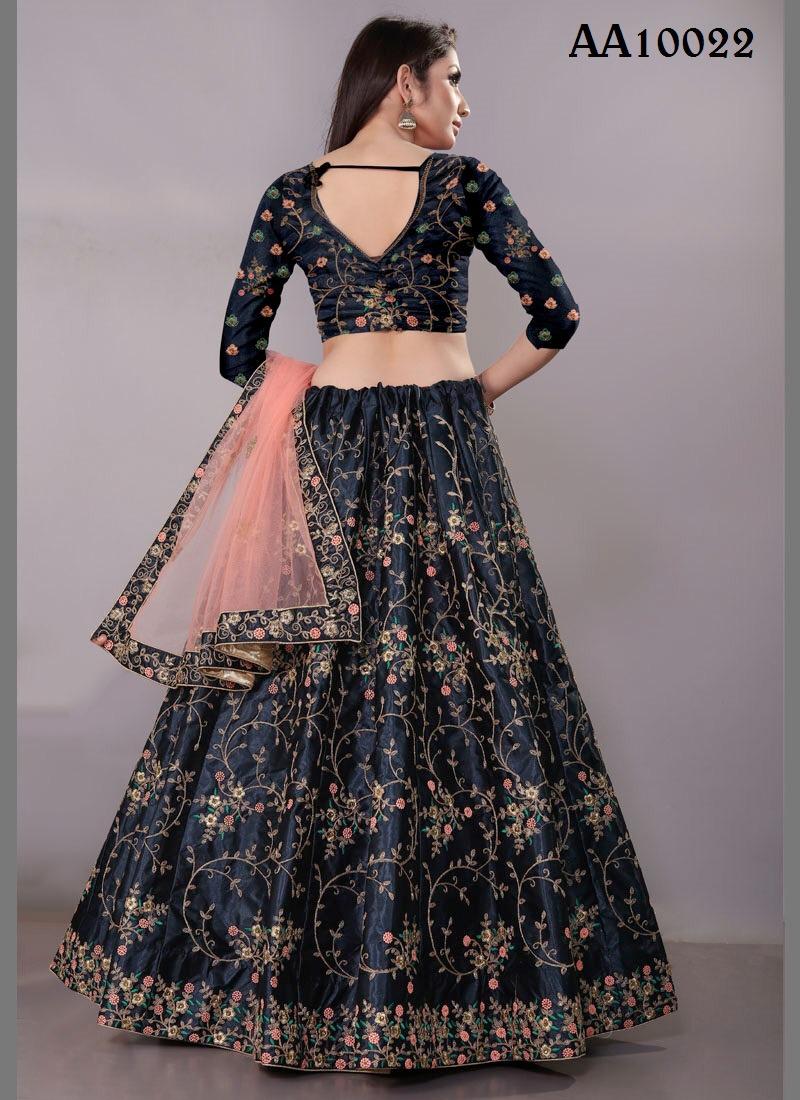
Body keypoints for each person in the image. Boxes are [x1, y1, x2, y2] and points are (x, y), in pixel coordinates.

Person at [49, 15, 678, 1076]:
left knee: (302, 688)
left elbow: (238, 351)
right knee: (472, 681)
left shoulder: (291, 196)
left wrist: (325, 380)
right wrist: (471, 391)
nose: (464, 101)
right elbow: (556, 313)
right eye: (452, 79)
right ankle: (490, 993)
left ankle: (266, 981)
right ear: (402, 84)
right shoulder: (467, 186)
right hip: (445, 443)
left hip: (328, 450)